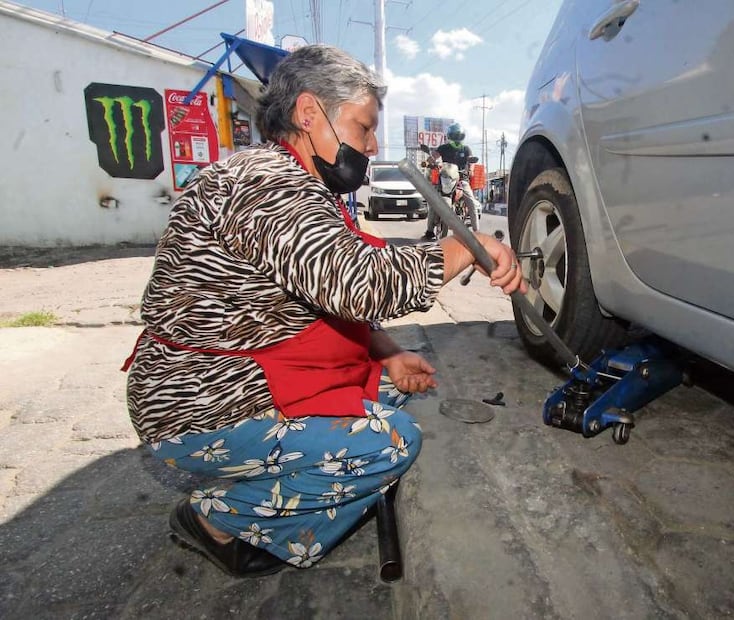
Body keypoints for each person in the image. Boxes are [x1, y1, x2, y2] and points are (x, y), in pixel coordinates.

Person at [123, 44, 526, 578]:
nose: (372, 143)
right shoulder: (264, 184)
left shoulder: (299, 183)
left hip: (241, 374)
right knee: (392, 444)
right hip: (199, 404)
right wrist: (467, 246)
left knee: (390, 388)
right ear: (309, 114)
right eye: (363, 128)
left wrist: (388, 352)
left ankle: (261, 473)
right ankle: (217, 519)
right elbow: (359, 284)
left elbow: (325, 292)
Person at [421, 123, 482, 240]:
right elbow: (433, 156)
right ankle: (429, 230)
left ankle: (476, 232)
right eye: (455, 136)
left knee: (472, 202)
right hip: (444, 178)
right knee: (434, 202)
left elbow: (471, 162)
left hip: (461, 179)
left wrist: (470, 170)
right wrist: (428, 162)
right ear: (450, 136)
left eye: (459, 136)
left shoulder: (466, 149)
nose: (457, 139)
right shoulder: (443, 148)